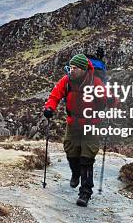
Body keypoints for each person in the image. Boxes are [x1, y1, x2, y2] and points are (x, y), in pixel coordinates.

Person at [43, 53, 106, 207]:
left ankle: (85, 193)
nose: (72, 70)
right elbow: (55, 95)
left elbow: (109, 98)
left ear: (84, 69)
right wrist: (49, 107)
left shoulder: (95, 82)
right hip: (73, 124)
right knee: (71, 152)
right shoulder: (66, 81)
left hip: (91, 125)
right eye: (70, 67)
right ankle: (75, 173)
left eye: (75, 68)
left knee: (87, 157)